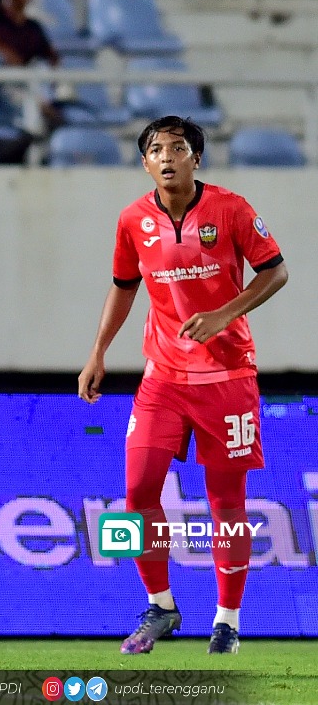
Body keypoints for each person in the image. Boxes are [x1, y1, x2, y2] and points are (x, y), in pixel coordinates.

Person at [78, 116, 288, 656]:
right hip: (162, 379)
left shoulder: (231, 209)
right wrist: (98, 352)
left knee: (226, 503)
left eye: (178, 148)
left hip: (228, 376)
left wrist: (224, 313)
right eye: (155, 149)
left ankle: (227, 621)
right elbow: (124, 287)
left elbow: (276, 272)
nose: (166, 156)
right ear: (144, 162)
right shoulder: (132, 220)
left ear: (197, 158)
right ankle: (162, 607)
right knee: (139, 493)